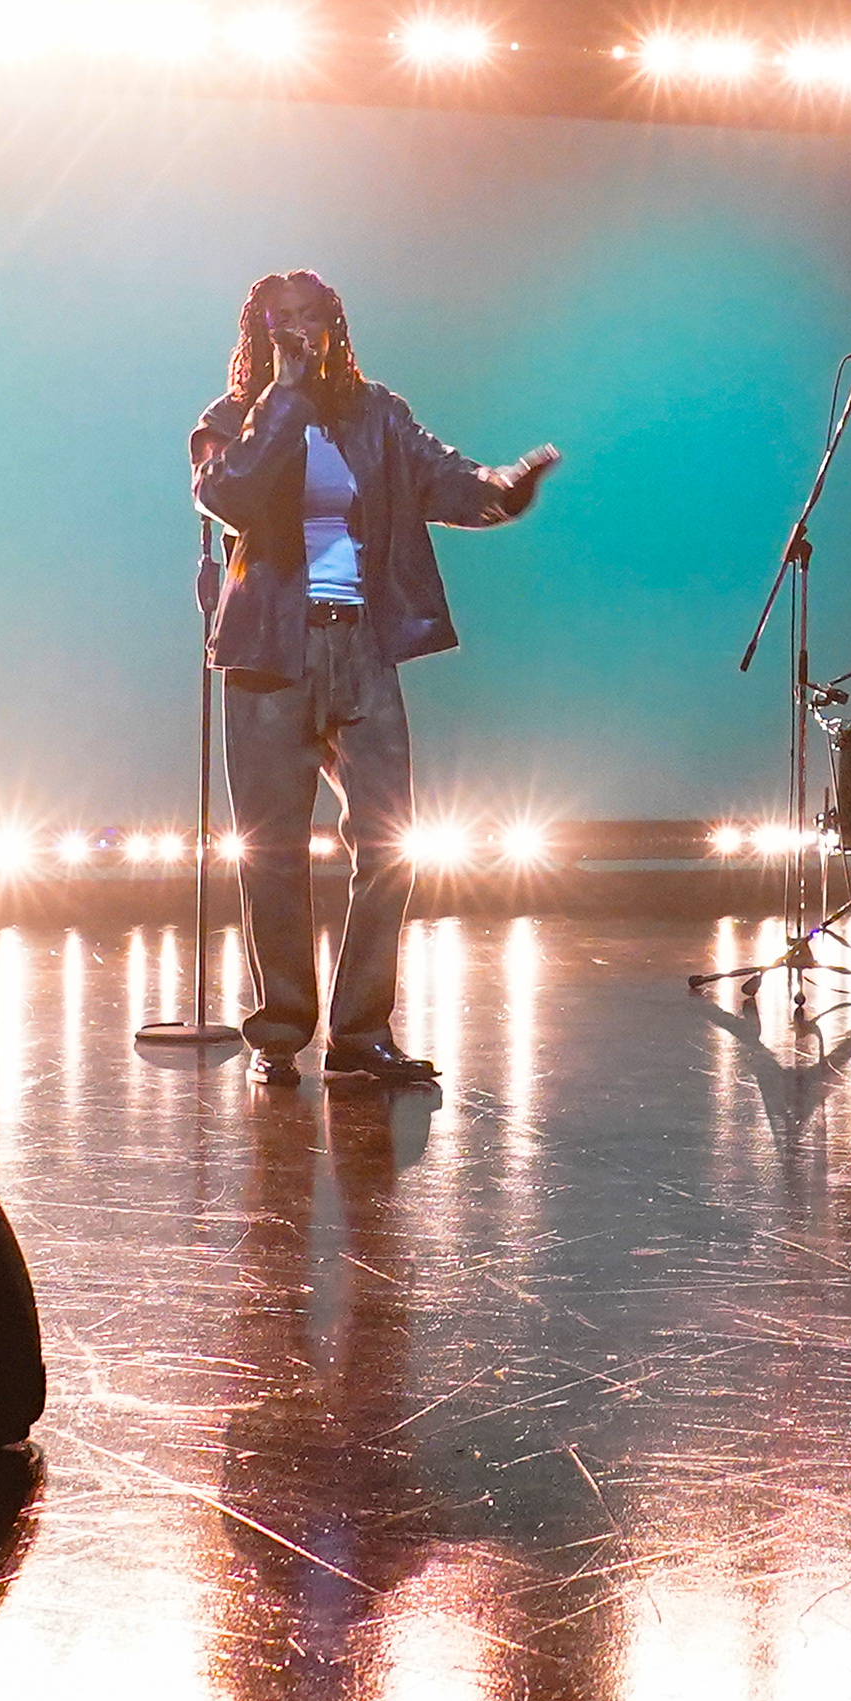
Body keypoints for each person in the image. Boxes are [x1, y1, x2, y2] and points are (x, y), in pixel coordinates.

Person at [187, 269, 557, 1090]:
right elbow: (234, 497)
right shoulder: (224, 424)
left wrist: (504, 487)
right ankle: (280, 1029)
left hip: (358, 651)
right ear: (256, 331)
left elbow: (447, 478)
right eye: (279, 319)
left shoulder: (378, 414)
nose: (297, 331)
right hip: (267, 660)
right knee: (272, 855)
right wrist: (282, 401)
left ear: (334, 327)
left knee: (390, 846)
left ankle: (360, 1031)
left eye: (310, 318)